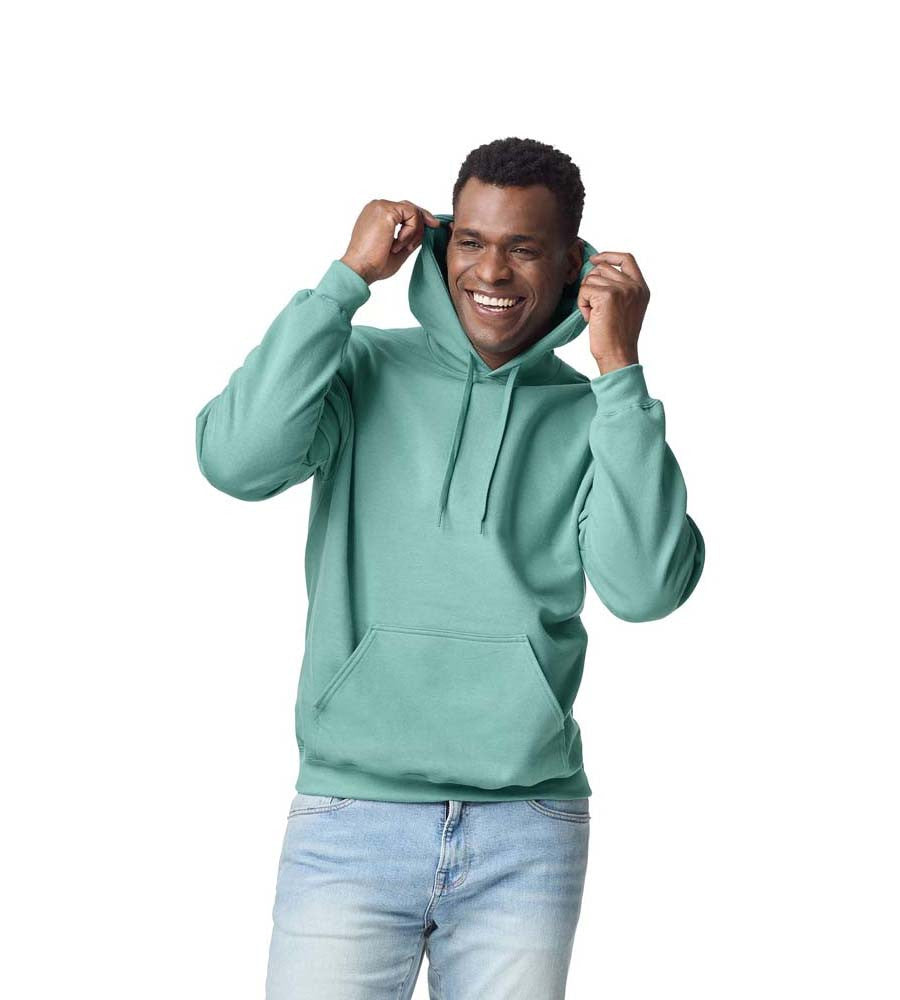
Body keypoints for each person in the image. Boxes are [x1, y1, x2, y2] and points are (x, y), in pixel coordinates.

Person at [195, 136, 705, 999]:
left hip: (527, 828)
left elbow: (647, 587)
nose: (491, 271)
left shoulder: (598, 416)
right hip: (351, 816)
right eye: (471, 241)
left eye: (523, 248)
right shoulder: (359, 367)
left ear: (574, 263)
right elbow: (235, 461)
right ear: (441, 243)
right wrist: (345, 281)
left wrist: (619, 369)